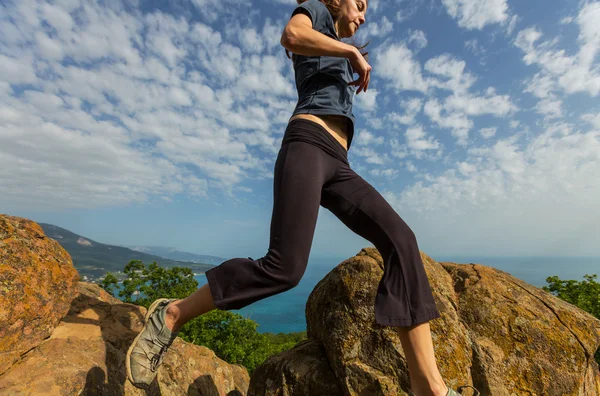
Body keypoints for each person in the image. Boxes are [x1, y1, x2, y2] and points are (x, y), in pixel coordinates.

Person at [126, 1, 479, 395]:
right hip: (307, 145)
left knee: (401, 239)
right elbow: (291, 36)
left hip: (338, 163)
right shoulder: (317, 13)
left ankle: (427, 386)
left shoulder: (333, 43)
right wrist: (349, 51)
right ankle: (172, 314)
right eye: (359, 5)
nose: (362, 17)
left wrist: (346, 53)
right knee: (285, 269)